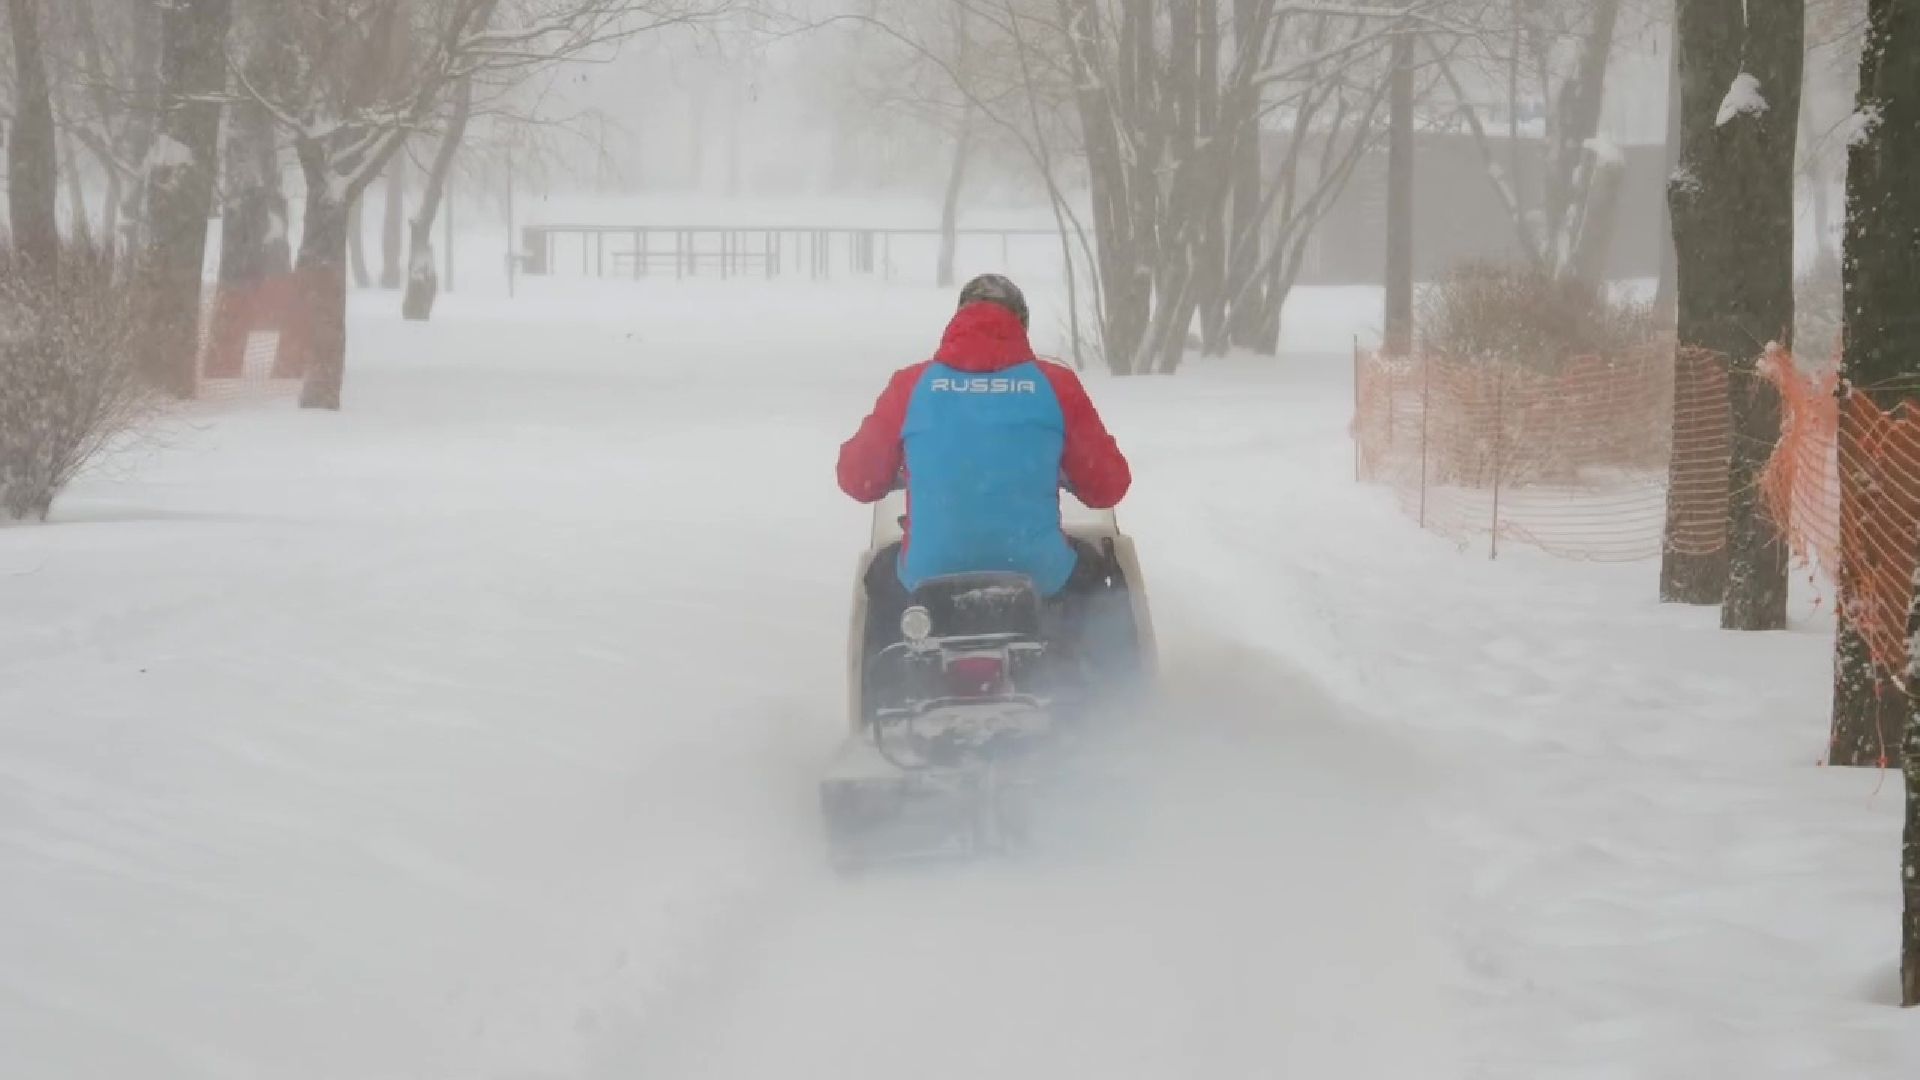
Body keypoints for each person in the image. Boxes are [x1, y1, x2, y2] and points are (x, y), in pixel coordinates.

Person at [836, 274, 1131, 658]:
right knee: (1102, 577)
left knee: (880, 577)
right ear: (1020, 324)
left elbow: (857, 478)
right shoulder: (1055, 385)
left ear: (958, 319)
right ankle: (1106, 687)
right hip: (1039, 574)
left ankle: (888, 687)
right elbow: (1109, 486)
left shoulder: (912, 385)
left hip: (928, 575)